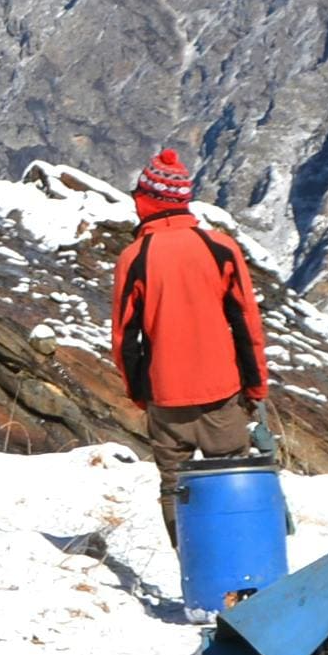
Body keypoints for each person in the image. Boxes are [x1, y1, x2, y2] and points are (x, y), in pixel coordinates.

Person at [107, 143, 272, 540]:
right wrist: (255, 387)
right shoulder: (220, 247)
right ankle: (240, 577)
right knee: (232, 480)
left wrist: (140, 393)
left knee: (175, 488)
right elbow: (246, 323)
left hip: (167, 399)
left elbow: (124, 338)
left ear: (150, 201)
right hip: (223, 394)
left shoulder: (136, 256)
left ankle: (194, 577)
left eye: (139, 196)